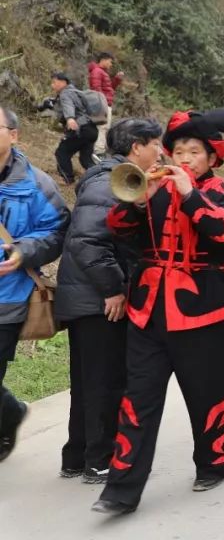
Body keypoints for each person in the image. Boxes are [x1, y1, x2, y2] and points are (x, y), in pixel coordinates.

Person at [93, 109, 224, 516]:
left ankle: (214, 462)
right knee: (138, 399)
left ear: (212, 159)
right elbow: (117, 229)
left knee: (206, 393)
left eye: (195, 153)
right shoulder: (152, 188)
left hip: (203, 311)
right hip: (148, 310)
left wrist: (191, 194)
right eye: (178, 151)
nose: (185, 159)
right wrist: (139, 204)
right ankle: (120, 490)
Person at [55, 118, 162, 483]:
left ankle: (76, 455)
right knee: (105, 380)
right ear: (136, 147)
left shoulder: (108, 176)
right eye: (155, 145)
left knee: (89, 380)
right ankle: (99, 459)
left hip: (86, 297)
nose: (159, 153)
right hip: (97, 299)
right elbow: (87, 242)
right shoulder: (110, 182)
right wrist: (114, 288)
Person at [0, 105, 70, 463]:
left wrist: (23, 252)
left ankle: (7, 411)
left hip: (8, 299)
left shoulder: (36, 184)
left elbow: (58, 232)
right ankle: (9, 410)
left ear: (14, 135)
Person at [50, 72, 99, 184]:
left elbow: (68, 106)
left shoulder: (65, 93)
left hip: (80, 129)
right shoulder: (77, 92)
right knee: (86, 159)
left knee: (62, 152)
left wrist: (70, 118)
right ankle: (101, 177)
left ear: (63, 82)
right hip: (91, 129)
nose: (52, 85)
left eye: (54, 82)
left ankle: (67, 178)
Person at [87, 52, 124, 155]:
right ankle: (98, 152)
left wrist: (116, 79)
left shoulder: (102, 72)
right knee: (102, 128)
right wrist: (101, 103)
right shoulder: (97, 72)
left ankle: (98, 151)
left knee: (104, 128)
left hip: (104, 103)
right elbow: (96, 89)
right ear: (103, 59)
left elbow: (109, 88)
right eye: (110, 62)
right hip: (102, 104)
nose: (111, 64)